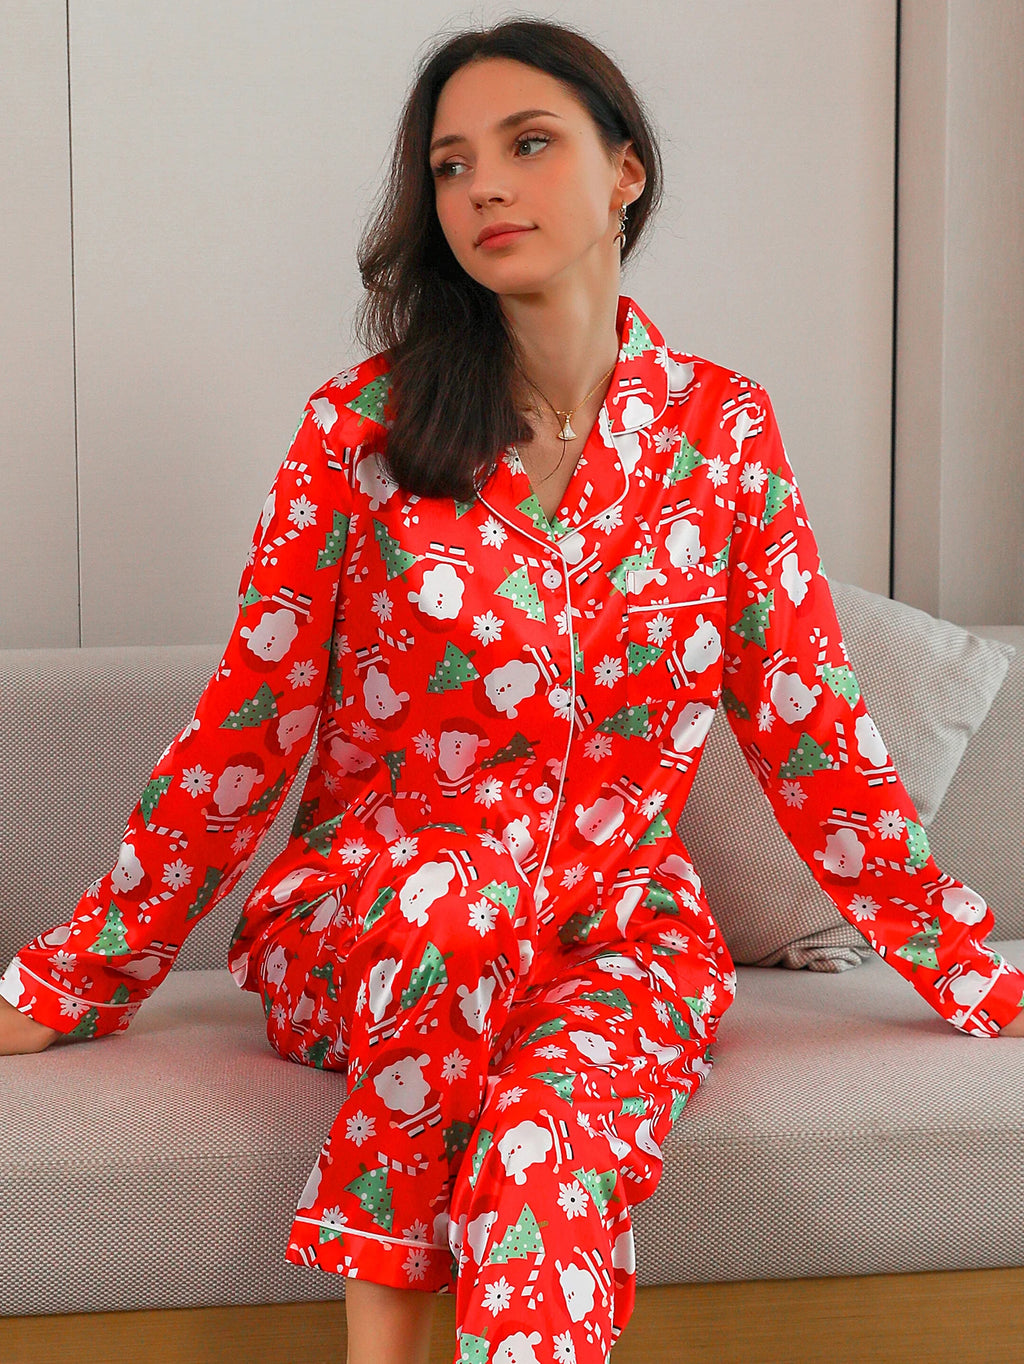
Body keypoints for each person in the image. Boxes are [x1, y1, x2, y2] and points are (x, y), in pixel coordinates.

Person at [3, 15, 1022, 1364]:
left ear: (626, 170)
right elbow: (246, 731)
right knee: (457, 904)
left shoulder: (723, 436)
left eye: (528, 144)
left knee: (549, 1153)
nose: (483, 184)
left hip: (616, 937)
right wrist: (74, 978)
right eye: (451, 164)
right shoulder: (358, 434)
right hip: (373, 921)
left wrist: (972, 969)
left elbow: (813, 729)